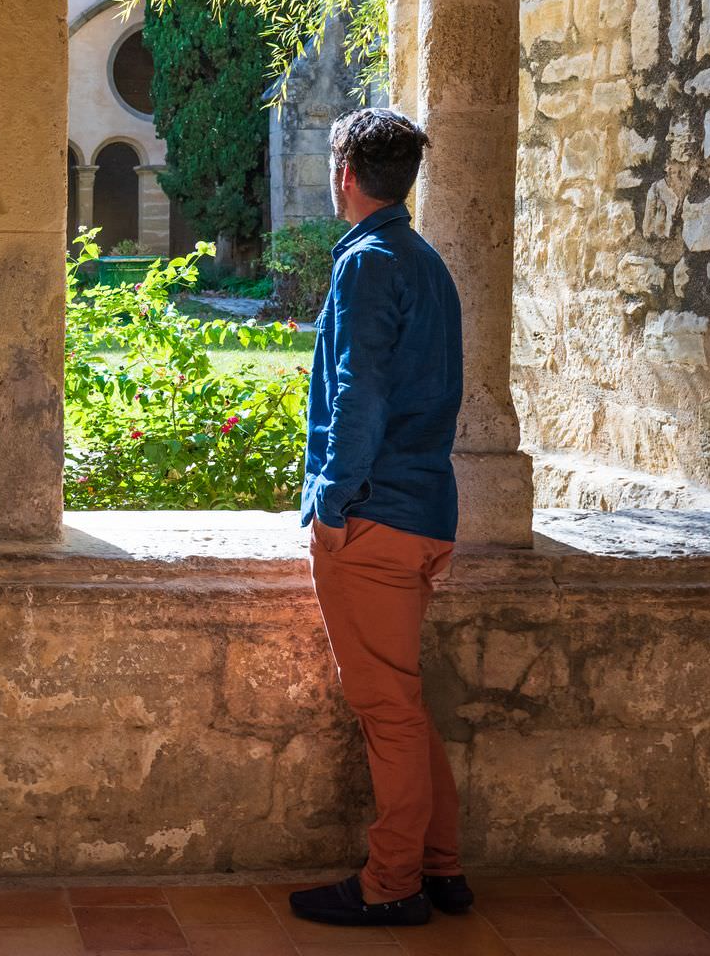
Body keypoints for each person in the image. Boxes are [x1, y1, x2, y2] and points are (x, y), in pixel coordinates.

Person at [288, 108, 472, 929]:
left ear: (345, 174)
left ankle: (392, 884)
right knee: (404, 701)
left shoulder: (369, 263)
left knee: (387, 710)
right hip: (425, 512)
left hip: (375, 521)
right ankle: (443, 867)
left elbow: (357, 396)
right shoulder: (427, 262)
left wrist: (331, 506)